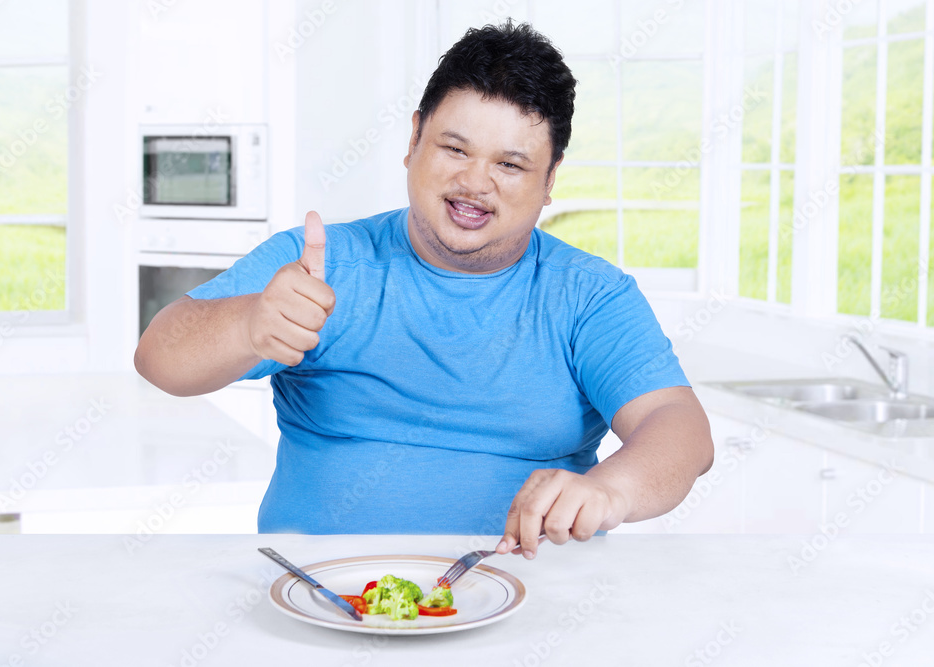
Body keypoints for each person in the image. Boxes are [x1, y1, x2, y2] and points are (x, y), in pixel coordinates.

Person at [135, 21, 713, 559]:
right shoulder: (319, 264)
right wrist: (247, 324)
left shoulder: (589, 296)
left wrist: (610, 490)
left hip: (527, 600)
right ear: (414, 139)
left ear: (550, 180)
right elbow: (159, 358)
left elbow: (679, 426)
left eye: (510, 164)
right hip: (321, 599)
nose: (474, 182)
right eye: (455, 148)